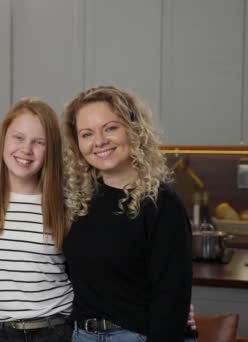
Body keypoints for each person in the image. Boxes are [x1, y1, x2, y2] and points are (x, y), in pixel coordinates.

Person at [60, 86, 192, 341]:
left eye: (110, 128)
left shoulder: (163, 204)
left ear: (133, 130)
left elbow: (172, 299)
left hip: (136, 336)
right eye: (87, 134)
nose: (99, 141)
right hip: (81, 335)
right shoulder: (78, 200)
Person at [0, 98, 74, 341]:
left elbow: (86, 269)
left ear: (51, 149)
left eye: (39, 142)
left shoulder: (67, 202)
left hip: (56, 328)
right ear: (3, 140)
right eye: (19, 137)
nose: (26, 149)